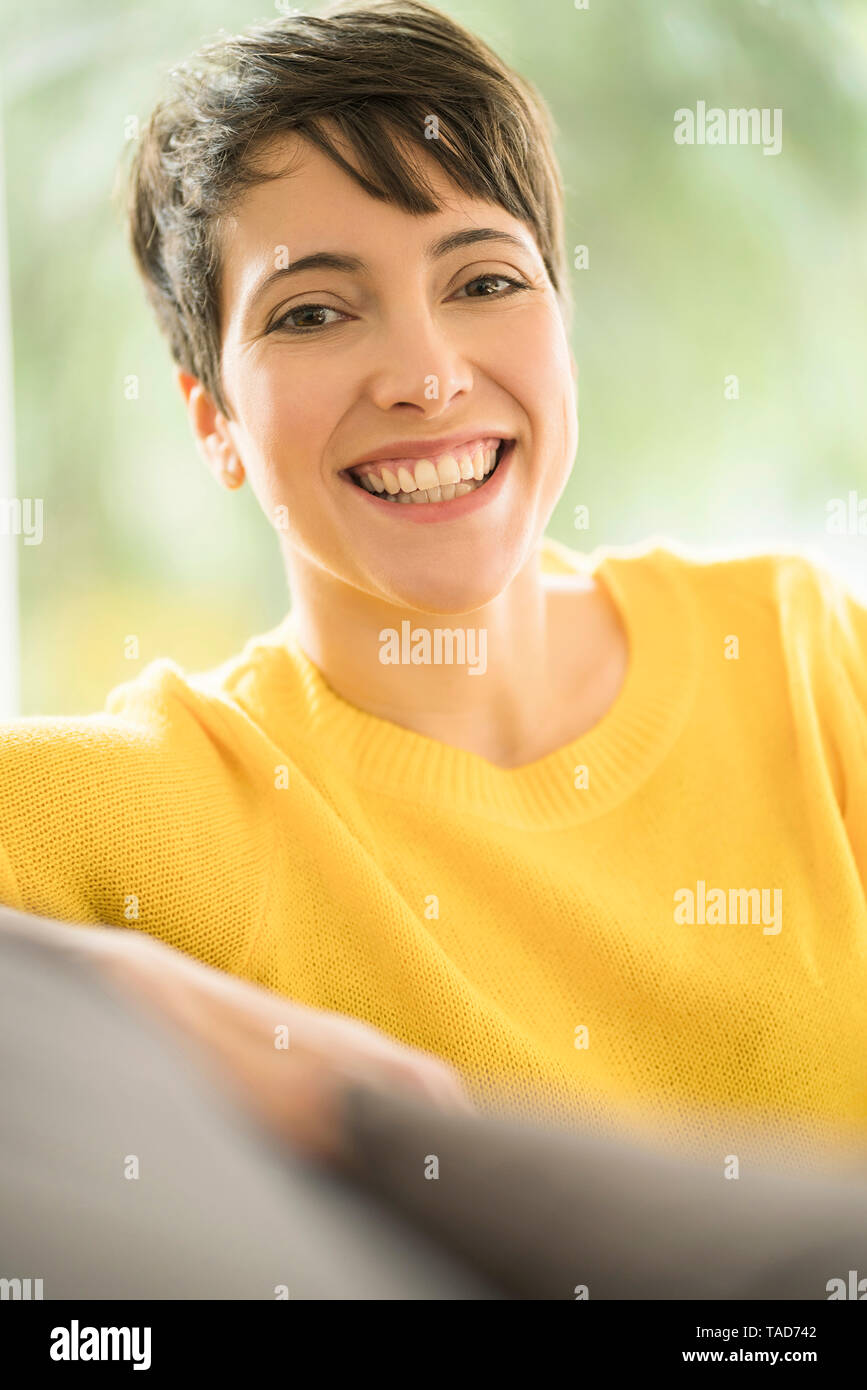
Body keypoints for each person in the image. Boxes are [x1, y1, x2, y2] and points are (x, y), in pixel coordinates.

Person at [1, 0, 865, 1181]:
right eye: (312, 311)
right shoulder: (154, 801)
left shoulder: (800, 653)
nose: (424, 376)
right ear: (216, 423)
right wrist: (116, 978)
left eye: (484, 282)